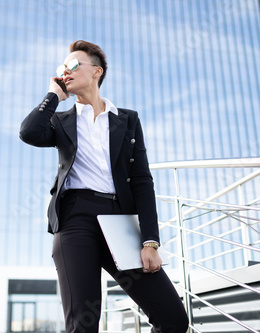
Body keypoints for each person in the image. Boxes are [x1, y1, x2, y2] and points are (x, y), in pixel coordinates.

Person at [19, 40, 189, 333]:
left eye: (73, 65)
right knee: (83, 326)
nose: (66, 72)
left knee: (173, 319)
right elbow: (29, 132)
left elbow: (142, 181)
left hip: (120, 221)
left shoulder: (127, 120)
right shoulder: (61, 121)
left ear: (97, 71)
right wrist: (53, 95)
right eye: (62, 68)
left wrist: (150, 240)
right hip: (75, 219)